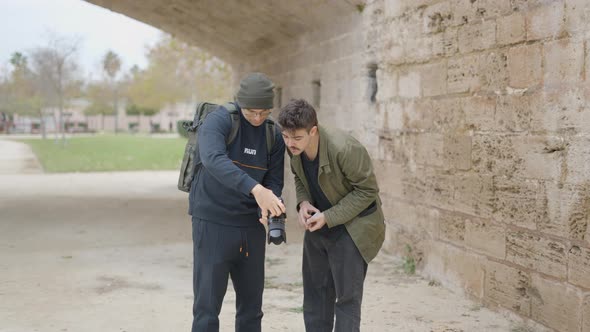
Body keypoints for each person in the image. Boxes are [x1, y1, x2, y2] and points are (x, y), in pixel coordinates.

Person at [189, 72, 286, 332]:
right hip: (212, 222)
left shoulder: (273, 134)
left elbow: (275, 180)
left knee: (252, 310)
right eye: (252, 112)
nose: (257, 118)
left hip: (250, 227)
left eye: (264, 112)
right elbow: (213, 159)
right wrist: (255, 189)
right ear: (240, 103)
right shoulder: (218, 121)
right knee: (207, 309)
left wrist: (269, 204)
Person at [278, 98, 385, 332]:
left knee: (347, 299)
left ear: (313, 130)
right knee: (315, 294)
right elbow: (299, 177)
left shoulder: (344, 148)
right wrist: (303, 202)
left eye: (297, 138)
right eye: (286, 137)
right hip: (319, 224)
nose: (290, 144)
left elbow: (368, 191)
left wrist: (328, 217)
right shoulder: (293, 146)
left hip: (354, 226)